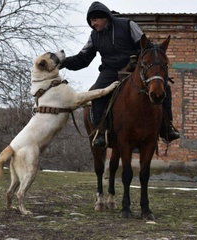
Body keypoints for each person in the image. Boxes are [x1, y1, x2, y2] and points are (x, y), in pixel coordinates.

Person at [60, 1, 180, 147]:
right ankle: (101, 132)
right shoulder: (94, 36)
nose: (92, 24)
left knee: (165, 87)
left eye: (94, 20)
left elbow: (145, 45)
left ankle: (167, 128)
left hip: (132, 67)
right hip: (109, 70)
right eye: (90, 21)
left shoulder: (128, 25)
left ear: (104, 17)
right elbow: (82, 59)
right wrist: (62, 63)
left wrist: (142, 61)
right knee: (98, 93)